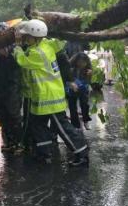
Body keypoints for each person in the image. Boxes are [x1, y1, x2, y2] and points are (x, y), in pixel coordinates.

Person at [14, 19, 89, 167]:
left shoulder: (37, 52)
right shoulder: (47, 45)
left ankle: (82, 152)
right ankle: (44, 153)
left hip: (49, 97)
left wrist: (17, 47)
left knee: (62, 127)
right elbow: (59, 42)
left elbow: (22, 60)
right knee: (37, 125)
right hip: (43, 97)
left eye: (27, 36)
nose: (25, 39)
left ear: (35, 37)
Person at [0, 22, 23, 153]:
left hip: (12, 86)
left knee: (14, 115)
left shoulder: (15, 48)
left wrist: (7, 54)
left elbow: (20, 63)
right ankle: (8, 141)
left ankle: (18, 143)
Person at [68, 52, 93, 130]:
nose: (82, 64)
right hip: (72, 88)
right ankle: (75, 125)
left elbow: (89, 77)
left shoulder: (87, 67)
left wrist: (91, 73)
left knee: (85, 105)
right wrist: (71, 83)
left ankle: (86, 121)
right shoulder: (70, 66)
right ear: (76, 61)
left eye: (84, 63)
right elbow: (66, 76)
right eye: (80, 62)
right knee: (72, 107)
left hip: (83, 88)